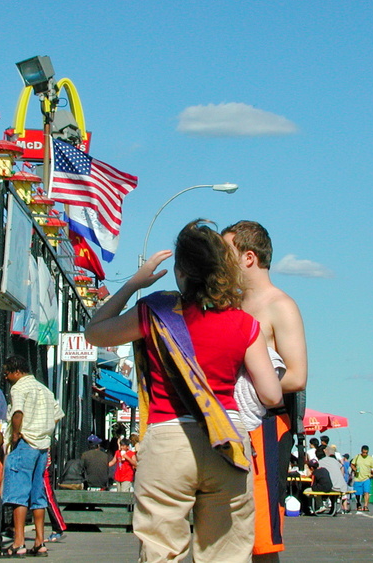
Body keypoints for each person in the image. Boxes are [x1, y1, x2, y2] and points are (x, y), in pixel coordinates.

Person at [85, 219, 283, 563]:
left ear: (180, 272)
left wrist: (133, 284)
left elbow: (95, 332)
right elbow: (271, 395)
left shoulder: (156, 311)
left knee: (162, 551)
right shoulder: (244, 323)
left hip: (168, 441)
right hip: (228, 441)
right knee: (226, 554)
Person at [223, 220, 308, 562]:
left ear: (248, 257)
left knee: (260, 533)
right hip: (228, 422)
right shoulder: (230, 303)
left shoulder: (279, 305)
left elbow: (297, 375)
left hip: (266, 426)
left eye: (225, 252)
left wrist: (246, 388)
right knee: (227, 526)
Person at [1, 354, 65, 558]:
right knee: (38, 495)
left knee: (19, 494)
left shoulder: (19, 387)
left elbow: (17, 413)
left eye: (7, 372)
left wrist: (16, 434)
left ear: (16, 371)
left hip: (25, 443)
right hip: (42, 445)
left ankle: (18, 542)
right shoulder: (44, 389)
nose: (6, 377)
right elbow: (57, 414)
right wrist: (43, 431)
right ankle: (39, 541)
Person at [351, 445, 373, 511]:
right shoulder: (357, 457)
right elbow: (352, 464)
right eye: (363, 452)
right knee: (357, 493)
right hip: (358, 478)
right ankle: (358, 504)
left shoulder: (370, 458)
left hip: (366, 478)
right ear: (361, 451)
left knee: (366, 492)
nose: (365, 454)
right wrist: (355, 469)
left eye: (366, 453)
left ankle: (366, 505)